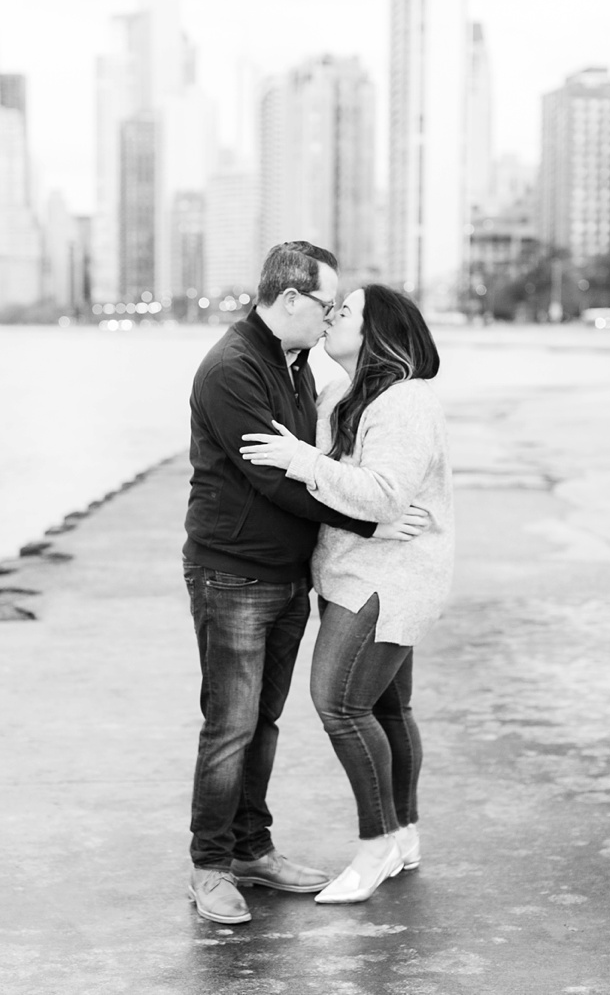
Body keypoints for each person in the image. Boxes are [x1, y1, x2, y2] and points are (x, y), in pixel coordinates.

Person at [183, 244, 425, 926]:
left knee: (261, 721)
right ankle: (209, 866)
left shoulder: (294, 362)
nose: (330, 319)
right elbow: (275, 478)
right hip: (231, 572)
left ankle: (251, 849)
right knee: (229, 724)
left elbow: (312, 460)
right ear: (289, 299)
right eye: (326, 305)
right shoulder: (232, 369)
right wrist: (370, 523)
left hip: (284, 577)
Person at [240, 283, 454, 904]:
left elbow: (383, 493)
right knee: (388, 709)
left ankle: (376, 845)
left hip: (388, 578)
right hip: (351, 570)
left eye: (346, 311)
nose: (332, 317)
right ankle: (405, 834)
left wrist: (301, 458)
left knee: (338, 703)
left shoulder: (405, 401)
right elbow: (351, 496)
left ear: (380, 330)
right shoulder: (342, 393)